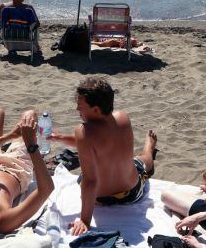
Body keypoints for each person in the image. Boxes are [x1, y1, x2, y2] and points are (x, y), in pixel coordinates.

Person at [48, 77, 158, 236]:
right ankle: (149, 148)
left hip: (100, 198)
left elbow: (90, 180)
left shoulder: (83, 132)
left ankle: (148, 148)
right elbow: (94, 142)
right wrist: (62, 138)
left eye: (80, 107)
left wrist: (84, 220)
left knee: (83, 176)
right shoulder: (122, 117)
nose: (77, 110)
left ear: (96, 110)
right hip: (132, 193)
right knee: (140, 160)